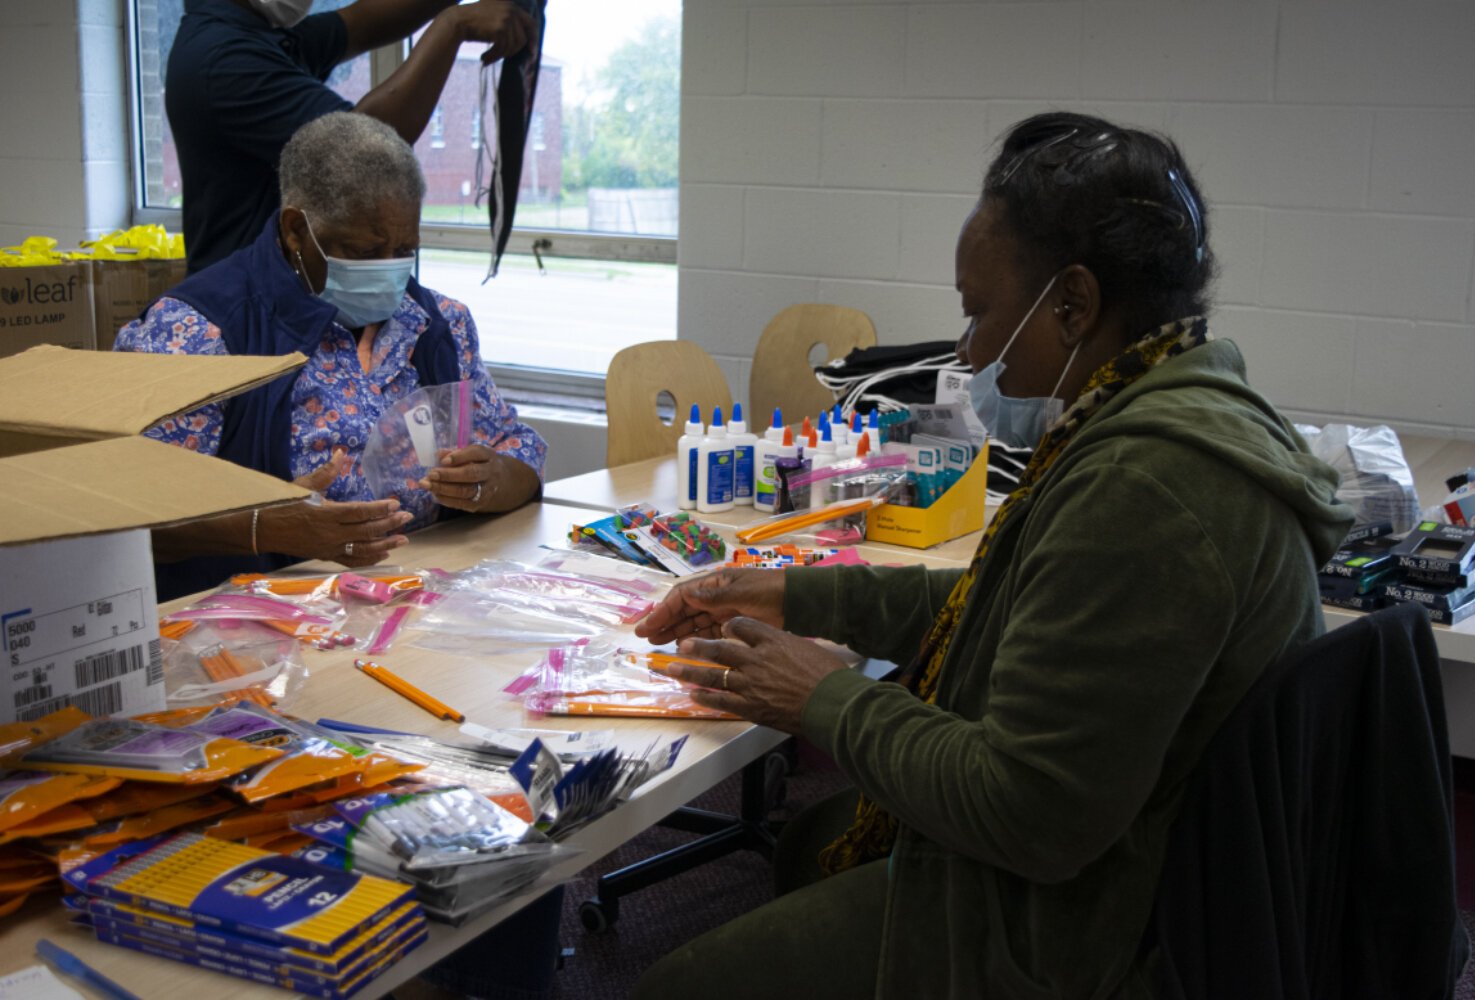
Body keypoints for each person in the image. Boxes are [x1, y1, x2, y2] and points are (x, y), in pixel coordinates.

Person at [629, 113, 1355, 999]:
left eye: (979, 313)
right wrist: (796, 594)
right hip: (1157, 855)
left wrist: (822, 697)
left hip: (1107, 927)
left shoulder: (1148, 487)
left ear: (1074, 304)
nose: (969, 349)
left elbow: (1030, 812)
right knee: (809, 842)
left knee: (680, 986)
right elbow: (1018, 601)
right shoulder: (1174, 403)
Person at [116, 111, 545, 602]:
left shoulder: (436, 324)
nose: (390, 271)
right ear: (297, 230)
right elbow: (131, 518)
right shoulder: (198, 333)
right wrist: (269, 527)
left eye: (405, 250)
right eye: (364, 251)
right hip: (259, 622)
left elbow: (521, 451)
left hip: (421, 596)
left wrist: (490, 480)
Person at [167, 0, 536, 273]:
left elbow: (360, 24)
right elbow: (364, 149)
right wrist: (453, 26)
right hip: (247, 312)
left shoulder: (257, 37)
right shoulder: (223, 59)